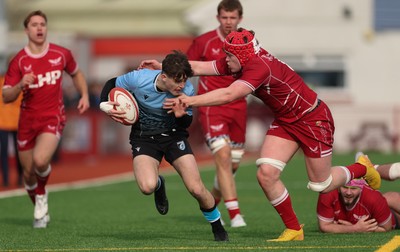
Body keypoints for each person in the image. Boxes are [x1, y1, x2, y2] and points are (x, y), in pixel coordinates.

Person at [139, 28, 382, 241]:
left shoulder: (257, 67)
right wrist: (163, 66)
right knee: (266, 173)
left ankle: (361, 167)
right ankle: (294, 229)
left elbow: (229, 95)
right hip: (288, 121)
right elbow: (204, 67)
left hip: (313, 118)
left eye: (229, 56)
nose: (225, 59)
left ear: (241, 55)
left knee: (322, 183)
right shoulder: (242, 59)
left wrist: (189, 99)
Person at [99, 51, 228, 242]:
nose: (182, 85)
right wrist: (105, 105)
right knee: (147, 186)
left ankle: (217, 225)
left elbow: (187, 122)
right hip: (144, 138)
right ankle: (159, 185)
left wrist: (180, 115)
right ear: (164, 76)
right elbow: (111, 83)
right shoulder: (139, 79)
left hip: (174, 137)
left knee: (196, 189)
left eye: (184, 80)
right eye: (177, 81)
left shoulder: (187, 90)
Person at [2, 10, 90, 228]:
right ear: (26, 30)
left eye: (43, 24)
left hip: (52, 116)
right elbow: (6, 96)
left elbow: (76, 73)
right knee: (28, 174)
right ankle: (41, 203)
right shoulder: (19, 61)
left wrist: (85, 94)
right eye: (34, 24)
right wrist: (21, 84)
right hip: (27, 122)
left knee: (41, 161)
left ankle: (41, 200)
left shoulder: (61, 54)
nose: (39, 28)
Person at [186, 0, 247, 228]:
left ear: (239, 18)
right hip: (211, 107)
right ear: (218, 18)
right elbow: (186, 66)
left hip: (239, 106)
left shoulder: (247, 42)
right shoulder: (204, 41)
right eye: (224, 17)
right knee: (222, 157)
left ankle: (211, 202)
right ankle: (235, 215)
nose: (228, 22)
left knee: (232, 165)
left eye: (232, 18)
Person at [317, 178, 400, 233]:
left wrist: (358, 228)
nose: (348, 192)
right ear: (338, 187)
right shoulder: (328, 193)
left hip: (393, 215)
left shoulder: (373, 198)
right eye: (345, 187)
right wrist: (354, 228)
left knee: (390, 198)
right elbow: (324, 226)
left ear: (361, 188)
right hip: (375, 209)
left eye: (353, 188)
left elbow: (386, 228)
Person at [0, 73, 23, 187]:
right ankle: (6, 178)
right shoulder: (16, 83)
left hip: (15, 121)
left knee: (18, 151)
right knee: (4, 152)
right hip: (3, 122)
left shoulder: (19, 84)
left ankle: (19, 177)